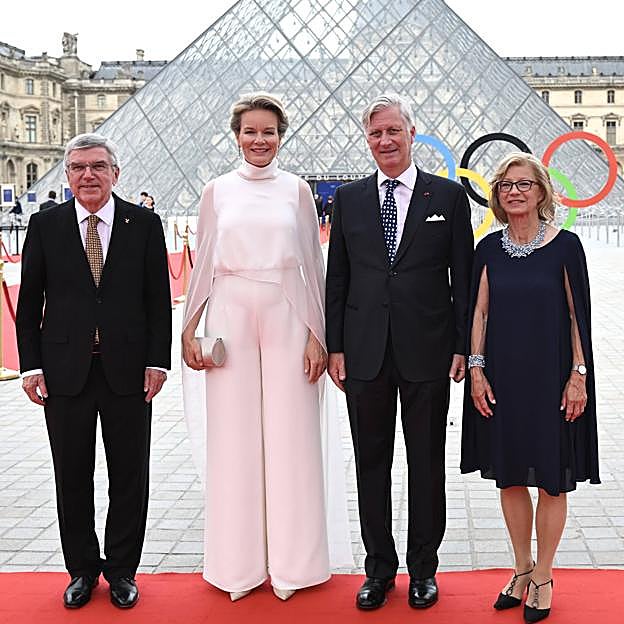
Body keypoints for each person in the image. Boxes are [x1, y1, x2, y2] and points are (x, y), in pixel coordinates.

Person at [181, 92, 350, 603]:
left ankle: (295, 565)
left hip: (287, 311)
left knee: (291, 439)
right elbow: (205, 258)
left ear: (281, 136)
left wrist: (318, 334)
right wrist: (188, 328)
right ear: (236, 135)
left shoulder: (297, 190)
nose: (260, 140)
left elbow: (311, 263)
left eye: (269, 132)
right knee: (233, 442)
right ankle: (238, 566)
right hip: (229, 312)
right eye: (251, 131)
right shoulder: (216, 191)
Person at [326, 93, 473, 611]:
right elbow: (337, 277)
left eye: (393, 131)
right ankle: (379, 569)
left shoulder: (449, 199)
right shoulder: (348, 199)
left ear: (413, 134)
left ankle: (424, 569)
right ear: (366, 141)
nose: (384, 141)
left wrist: (462, 346)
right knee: (371, 463)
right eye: (375, 134)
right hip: (364, 353)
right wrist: (335, 346)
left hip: (429, 352)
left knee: (426, 462)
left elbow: (465, 279)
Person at [16, 133, 172, 610]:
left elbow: (156, 299)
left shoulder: (144, 223)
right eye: (79, 167)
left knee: (130, 475)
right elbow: (29, 303)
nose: (88, 175)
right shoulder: (46, 226)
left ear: (115, 173)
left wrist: (157, 360)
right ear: (67, 175)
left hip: (127, 370)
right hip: (65, 373)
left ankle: (122, 570)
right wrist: (31, 367)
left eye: (98, 166)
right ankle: (82, 570)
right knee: (71, 474)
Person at [460, 153, 599, 623]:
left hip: (551, 378)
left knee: (553, 480)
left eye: (523, 184)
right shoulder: (488, 249)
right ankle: (520, 568)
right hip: (502, 377)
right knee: (511, 474)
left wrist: (578, 376)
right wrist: (476, 371)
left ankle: (543, 573)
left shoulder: (566, 246)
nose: (513, 192)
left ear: (541, 191)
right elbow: (478, 313)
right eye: (505, 185)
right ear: (497, 196)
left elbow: (578, 313)